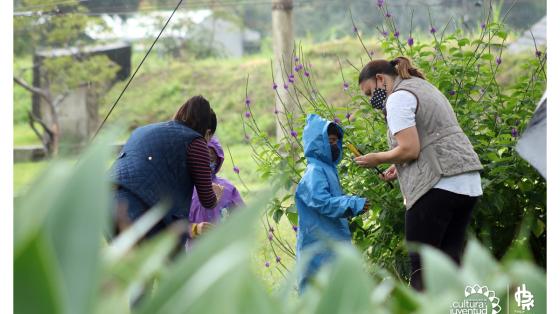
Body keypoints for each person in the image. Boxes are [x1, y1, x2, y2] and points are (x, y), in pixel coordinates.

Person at [354, 56, 483, 291]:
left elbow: (410, 149)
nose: (372, 100)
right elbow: (429, 137)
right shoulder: (424, 86)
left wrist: (378, 157)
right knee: (449, 265)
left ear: (380, 79)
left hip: (439, 183)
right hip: (467, 181)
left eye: (370, 92)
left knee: (422, 268)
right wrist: (398, 163)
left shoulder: (397, 99)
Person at [111, 95, 224, 244]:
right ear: (207, 132)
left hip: (108, 202)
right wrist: (216, 194)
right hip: (137, 208)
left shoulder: (145, 130)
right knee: (164, 262)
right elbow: (207, 200)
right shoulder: (196, 142)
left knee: (131, 265)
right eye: (209, 138)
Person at [295, 114, 369, 292]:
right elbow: (323, 202)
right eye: (329, 141)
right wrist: (352, 203)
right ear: (317, 143)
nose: (334, 145)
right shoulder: (315, 171)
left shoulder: (327, 169)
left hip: (331, 241)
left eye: (336, 140)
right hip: (318, 245)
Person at [186, 136, 245, 247]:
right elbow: (173, 228)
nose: (205, 162)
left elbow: (244, 218)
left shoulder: (228, 189)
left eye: (210, 158)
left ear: (218, 160)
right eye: (201, 159)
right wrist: (195, 229)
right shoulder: (184, 189)